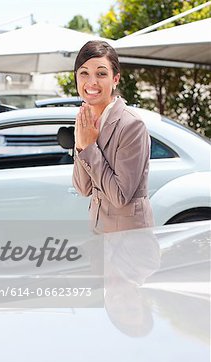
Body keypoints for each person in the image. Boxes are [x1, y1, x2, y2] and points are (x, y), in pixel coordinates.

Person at [72, 40, 154, 233]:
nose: (91, 82)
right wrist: (82, 145)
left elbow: (119, 196)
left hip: (130, 242)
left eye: (101, 73)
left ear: (115, 79)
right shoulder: (85, 120)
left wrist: (89, 146)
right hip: (99, 235)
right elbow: (83, 188)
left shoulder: (131, 125)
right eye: (84, 73)